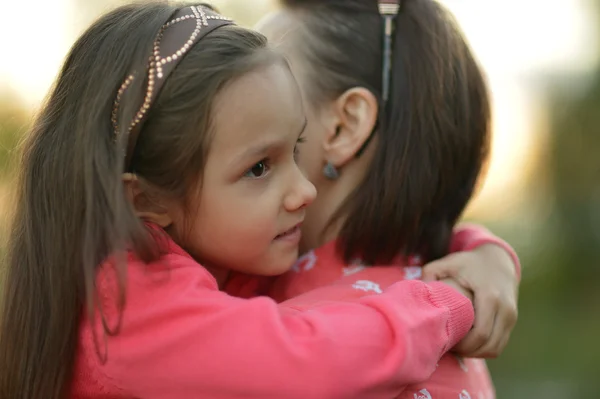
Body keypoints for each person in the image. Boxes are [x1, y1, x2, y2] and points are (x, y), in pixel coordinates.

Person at [0, 3, 483, 399]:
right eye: (259, 168)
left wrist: (483, 253)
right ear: (145, 200)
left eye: (296, 149)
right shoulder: (125, 306)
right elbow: (308, 362)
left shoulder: (203, 259)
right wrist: (450, 304)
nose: (304, 190)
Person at [254, 0, 520, 397]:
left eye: (264, 78)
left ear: (344, 126)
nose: (231, 95)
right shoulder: (444, 308)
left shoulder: (306, 343)